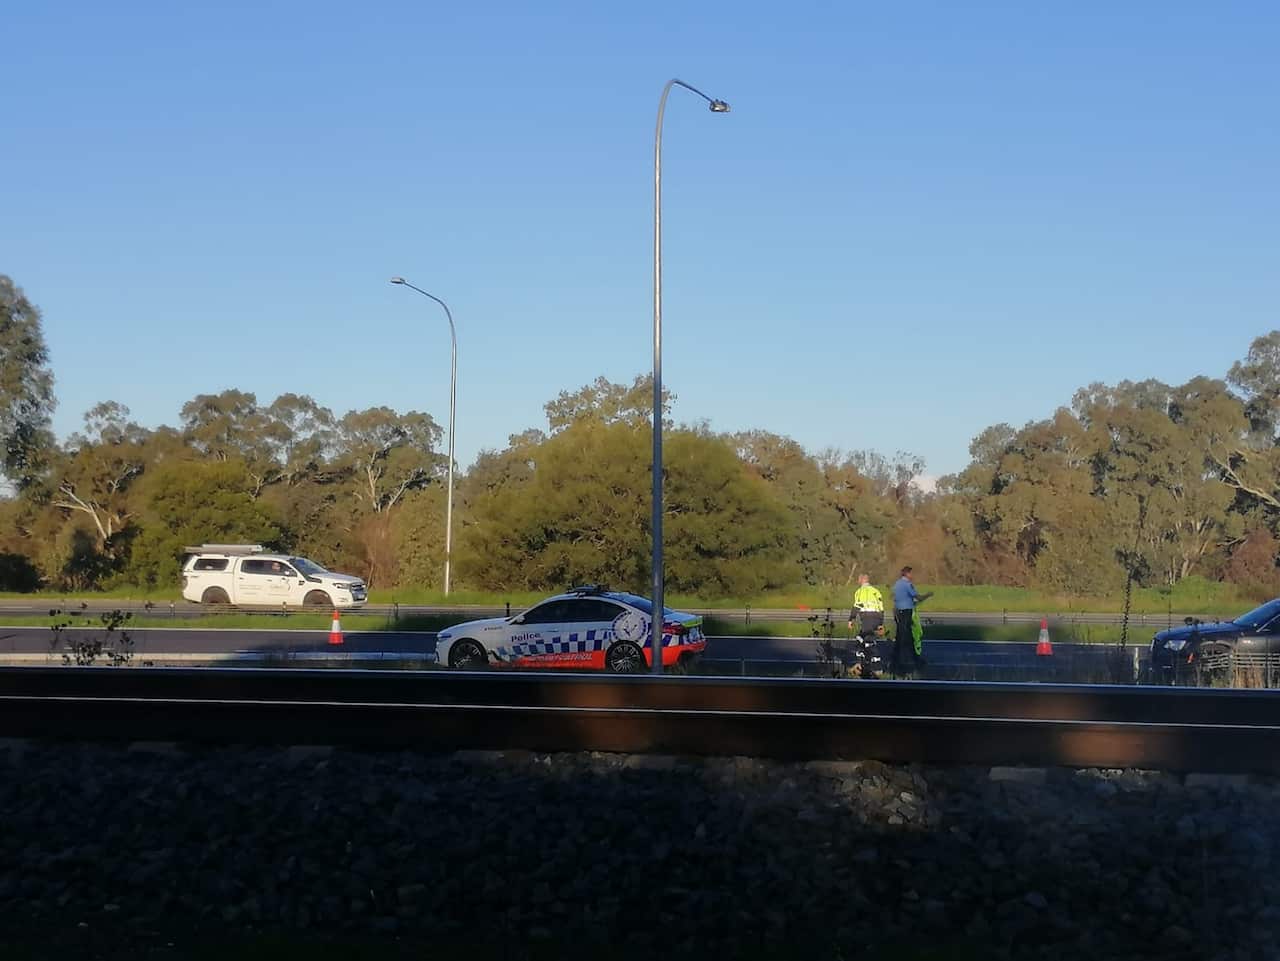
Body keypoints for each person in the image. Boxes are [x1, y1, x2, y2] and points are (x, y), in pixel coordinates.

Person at [891, 566, 933, 676]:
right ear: (907, 574)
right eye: (911, 574)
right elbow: (917, 597)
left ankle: (915, 661)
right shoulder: (907, 584)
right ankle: (897, 665)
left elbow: (895, 598)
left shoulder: (897, 584)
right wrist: (927, 595)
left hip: (899, 612)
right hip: (906, 613)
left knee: (907, 638)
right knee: (902, 639)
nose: (912, 576)